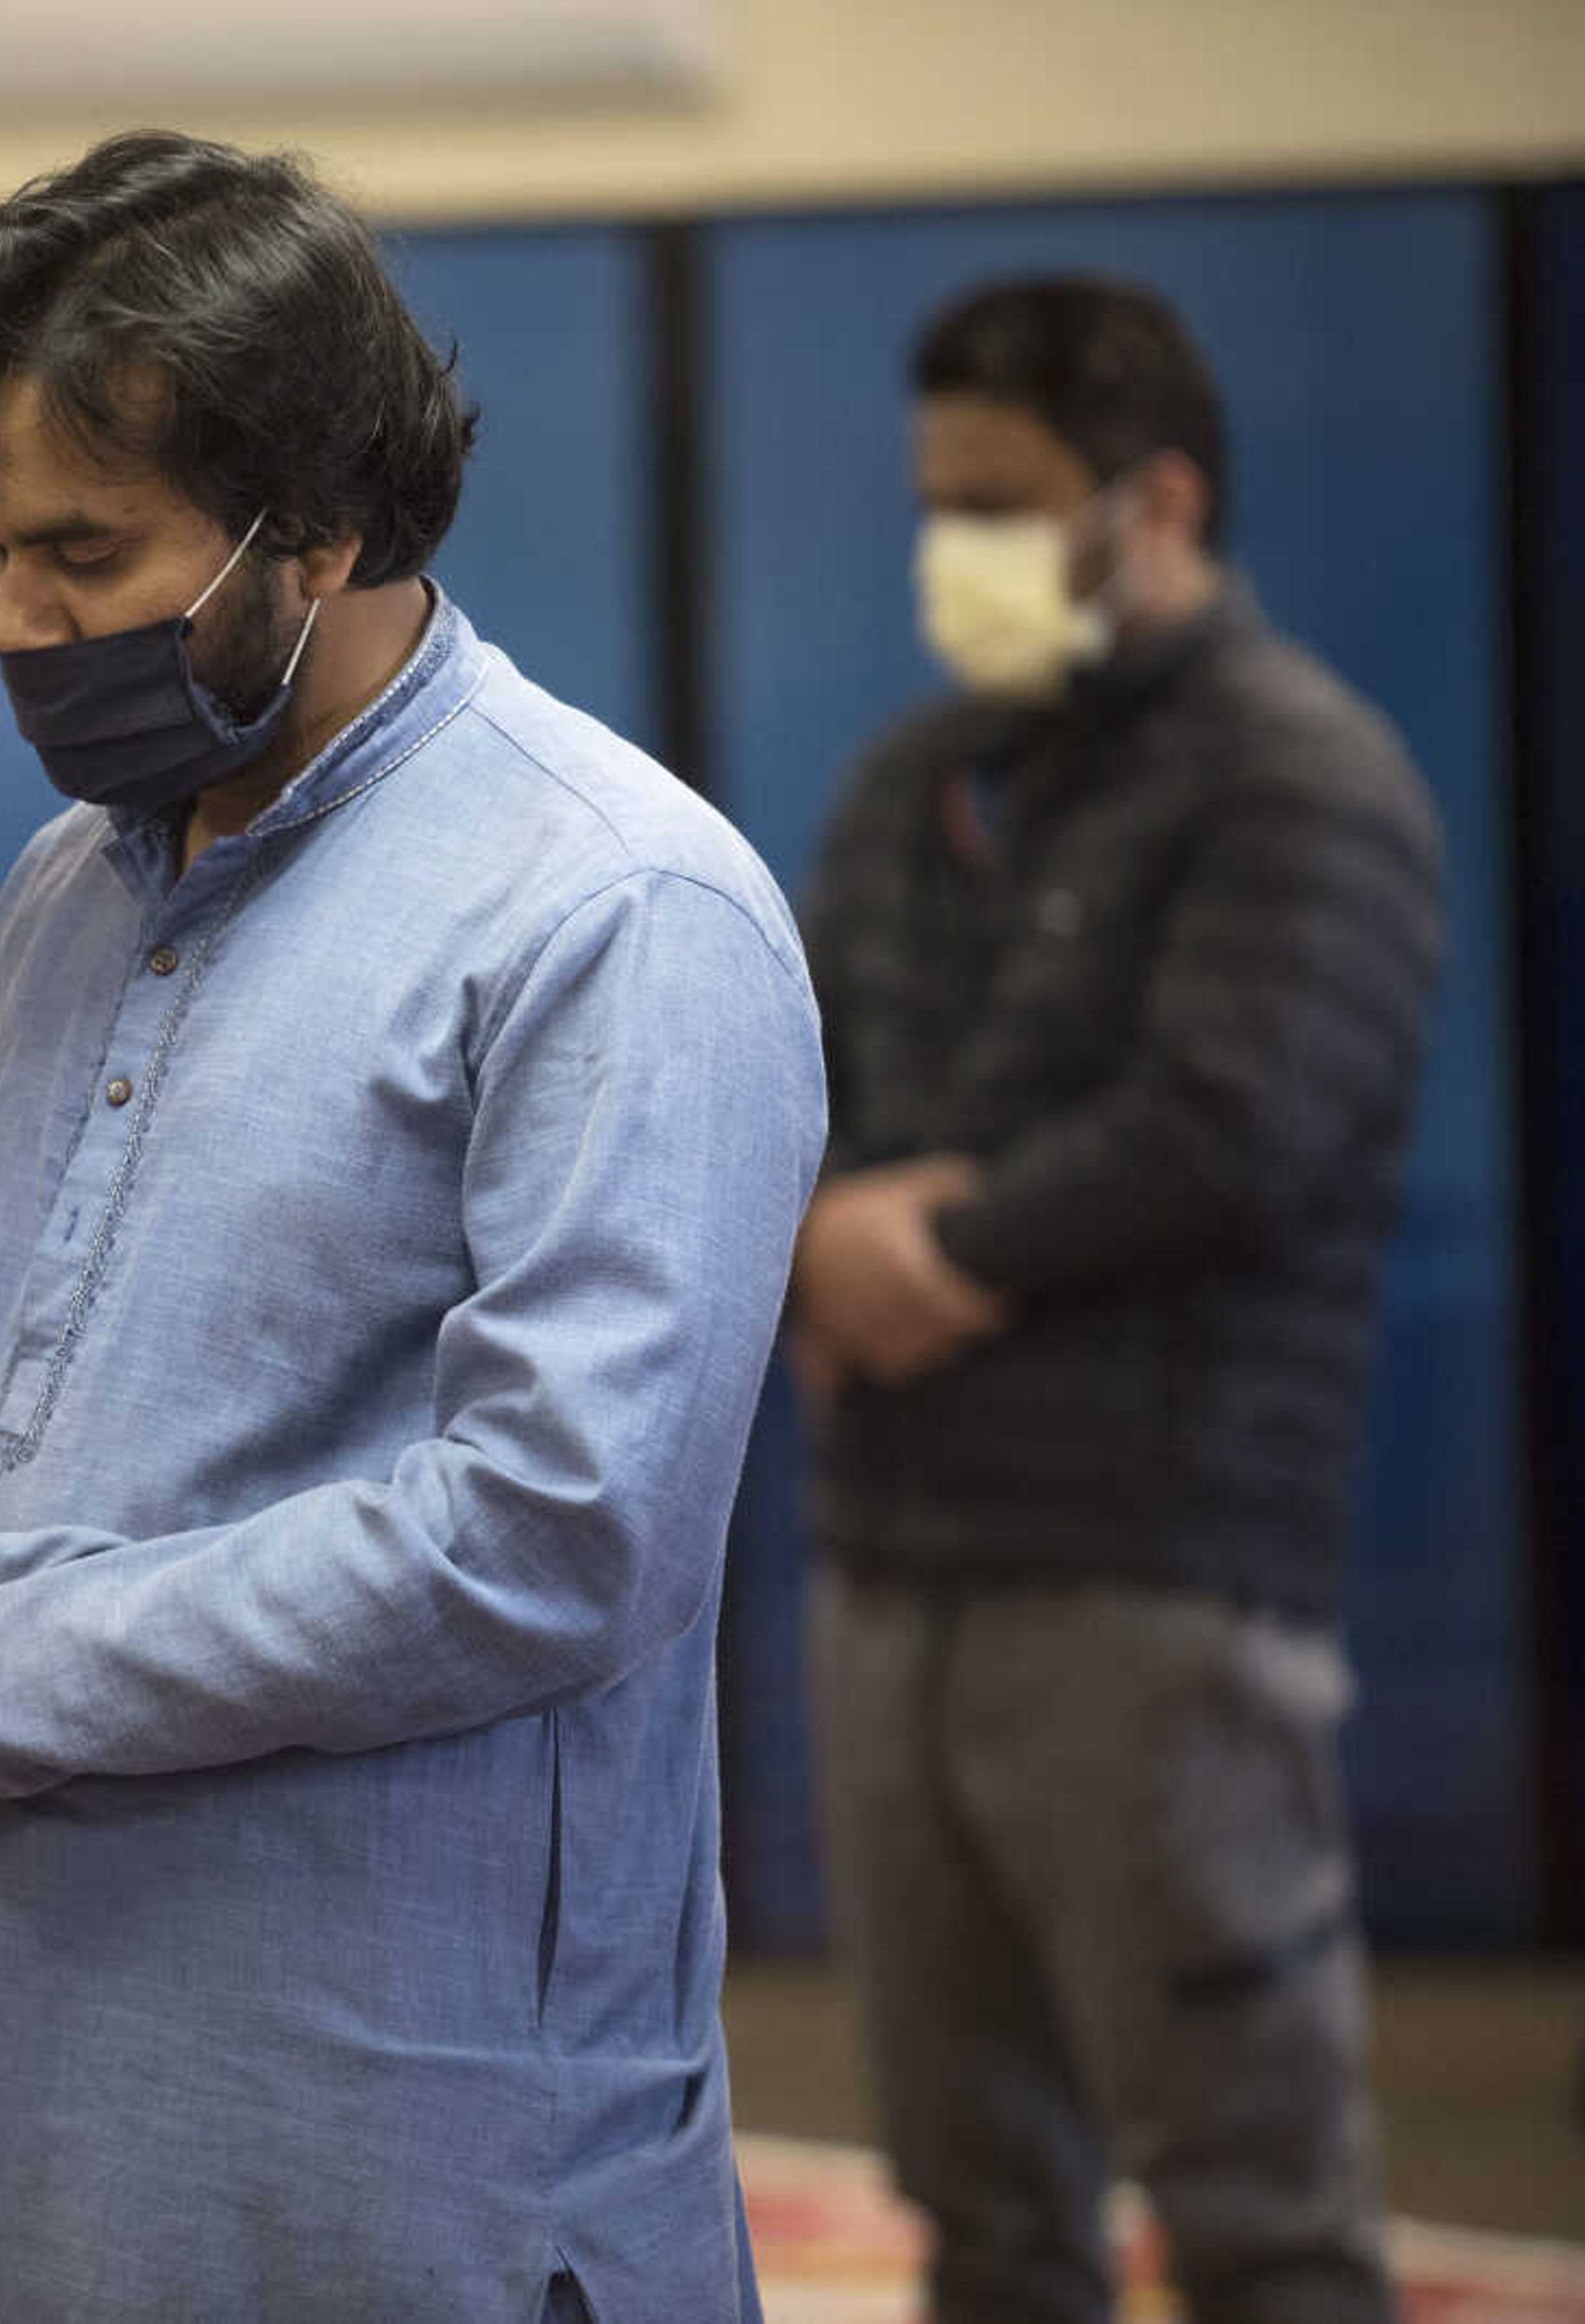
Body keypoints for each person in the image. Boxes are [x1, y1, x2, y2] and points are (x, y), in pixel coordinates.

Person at [0, 133, 826, 2319]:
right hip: (12, 2109)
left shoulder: (617, 906)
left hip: (410, 2161)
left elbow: (552, 1534)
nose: (19, 621)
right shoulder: (70, 889)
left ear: (318, 525)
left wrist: (7, 1664)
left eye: (83, 549)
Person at [789, 276, 1441, 2324]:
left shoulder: (1306, 779)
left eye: (999, 500)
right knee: (979, 2211)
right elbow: (787, 1080)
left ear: (1154, 502)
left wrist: (933, 1249)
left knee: (1255, 2210)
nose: (951, 548)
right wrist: (819, 1235)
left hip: (1157, 1586)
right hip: (895, 1564)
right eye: (933, 501)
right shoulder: (913, 788)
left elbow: (1230, 1128)